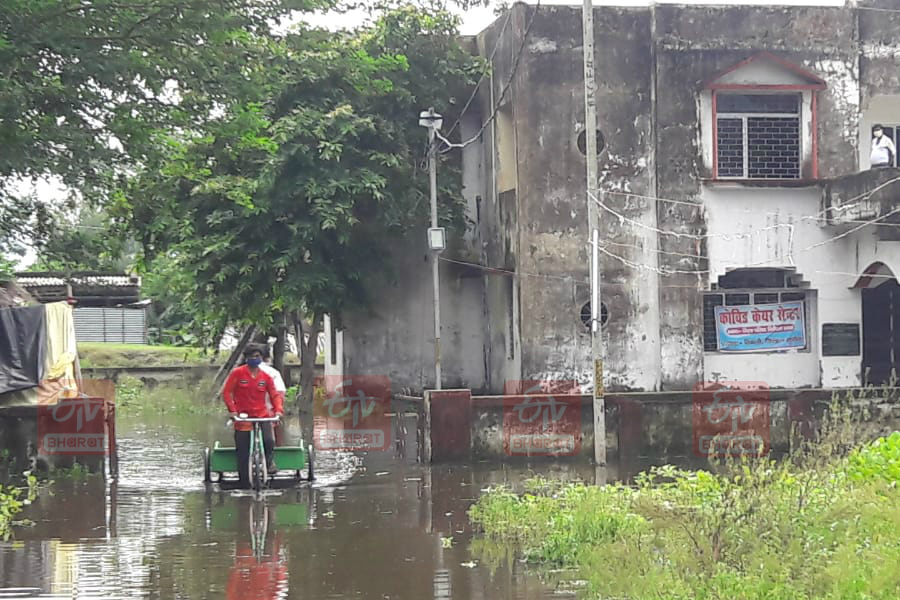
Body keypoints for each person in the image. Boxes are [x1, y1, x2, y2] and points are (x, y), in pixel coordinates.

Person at [223, 343, 283, 487]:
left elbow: (274, 395)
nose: (254, 359)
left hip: (262, 415)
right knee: (243, 451)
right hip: (243, 417)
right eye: (251, 356)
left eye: (257, 356)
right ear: (246, 358)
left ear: (261, 358)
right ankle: (244, 482)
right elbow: (226, 392)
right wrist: (232, 410)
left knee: (269, 441)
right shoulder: (237, 373)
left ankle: (268, 464)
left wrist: (278, 411)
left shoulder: (266, 377)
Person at [259, 345, 287, 446]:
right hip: (269, 414)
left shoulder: (241, 372)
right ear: (267, 358)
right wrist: (278, 411)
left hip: (247, 414)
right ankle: (272, 458)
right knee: (274, 438)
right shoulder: (273, 372)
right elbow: (280, 394)